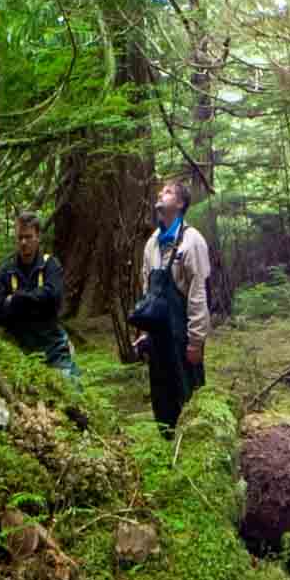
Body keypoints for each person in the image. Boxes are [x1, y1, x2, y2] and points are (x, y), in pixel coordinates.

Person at [127, 179, 210, 431]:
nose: (161, 194)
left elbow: (198, 294)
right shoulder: (152, 243)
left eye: (169, 191)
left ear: (181, 203)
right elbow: (147, 292)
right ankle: (166, 445)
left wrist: (196, 340)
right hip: (158, 339)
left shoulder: (192, 240)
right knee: (162, 398)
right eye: (162, 190)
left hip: (182, 337)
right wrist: (144, 333)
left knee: (188, 396)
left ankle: (194, 448)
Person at [0, 211, 76, 380]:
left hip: (53, 349)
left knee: (70, 388)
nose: (23, 242)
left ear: (38, 237)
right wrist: (36, 300)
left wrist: (16, 299)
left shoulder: (50, 266)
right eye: (19, 238)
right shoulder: (4, 273)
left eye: (28, 237)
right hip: (17, 350)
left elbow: (53, 297)